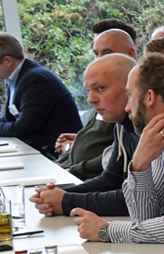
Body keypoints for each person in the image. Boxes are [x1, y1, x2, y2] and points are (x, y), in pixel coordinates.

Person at [68, 55, 164, 246]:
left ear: (149, 97)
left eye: (130, 95)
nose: (127, 107)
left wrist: (106, 230)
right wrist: (140, 165)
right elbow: (144, 217)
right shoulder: (159, 136)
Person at [32, 53, 137, 219]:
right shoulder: (122, 124)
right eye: (88, 91)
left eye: (100, 88)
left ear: (131, 88)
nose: (90, 99)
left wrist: (66, 201)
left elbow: (140, 200)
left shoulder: (151, 130)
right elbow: (111, 179)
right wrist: (56, 194)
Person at [0, 33, 76, 158]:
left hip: (55, 155)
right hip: (38, 150)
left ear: (7, 61)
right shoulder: (19, 77)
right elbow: (15, 119)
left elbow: (22, 129)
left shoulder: (36, 80)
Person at [55, 25, 139, 175]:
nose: (90, 100)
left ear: (130, 54)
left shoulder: (126, 114)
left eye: (107, 53)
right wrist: (64, 162)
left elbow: (110, 164)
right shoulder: (117, 119)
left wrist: (69, 168)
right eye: (96, 53)